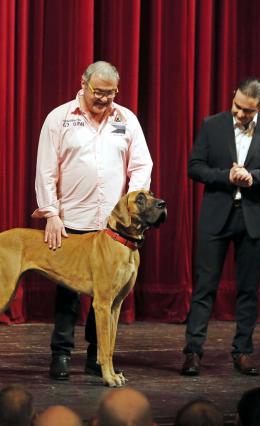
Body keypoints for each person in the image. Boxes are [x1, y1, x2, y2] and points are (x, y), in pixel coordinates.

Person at [33, 61, 153, 380]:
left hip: (114, 226)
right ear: (84, 83)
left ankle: (97, 357)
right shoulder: (59, 118)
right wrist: (51, 213)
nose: (103, 99)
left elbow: (141, 164)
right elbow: (46, 170)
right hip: (71, 219)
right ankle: (60, 355)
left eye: (110, 93)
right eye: (98, 92)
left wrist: (135, 202)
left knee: (107, 295)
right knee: (67, 295)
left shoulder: (126, 119)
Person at [181, 77, 260, 376]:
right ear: (233, 98)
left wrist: (254, 177)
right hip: (216, 216)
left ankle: (242, 351)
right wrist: (225, 177)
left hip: (252, 218)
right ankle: (193, 352)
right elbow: (195, 167)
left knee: (248, 290)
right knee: (204, 288)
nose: (240, 114)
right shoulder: (212, 125)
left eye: (247, 111)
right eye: (237, 107)